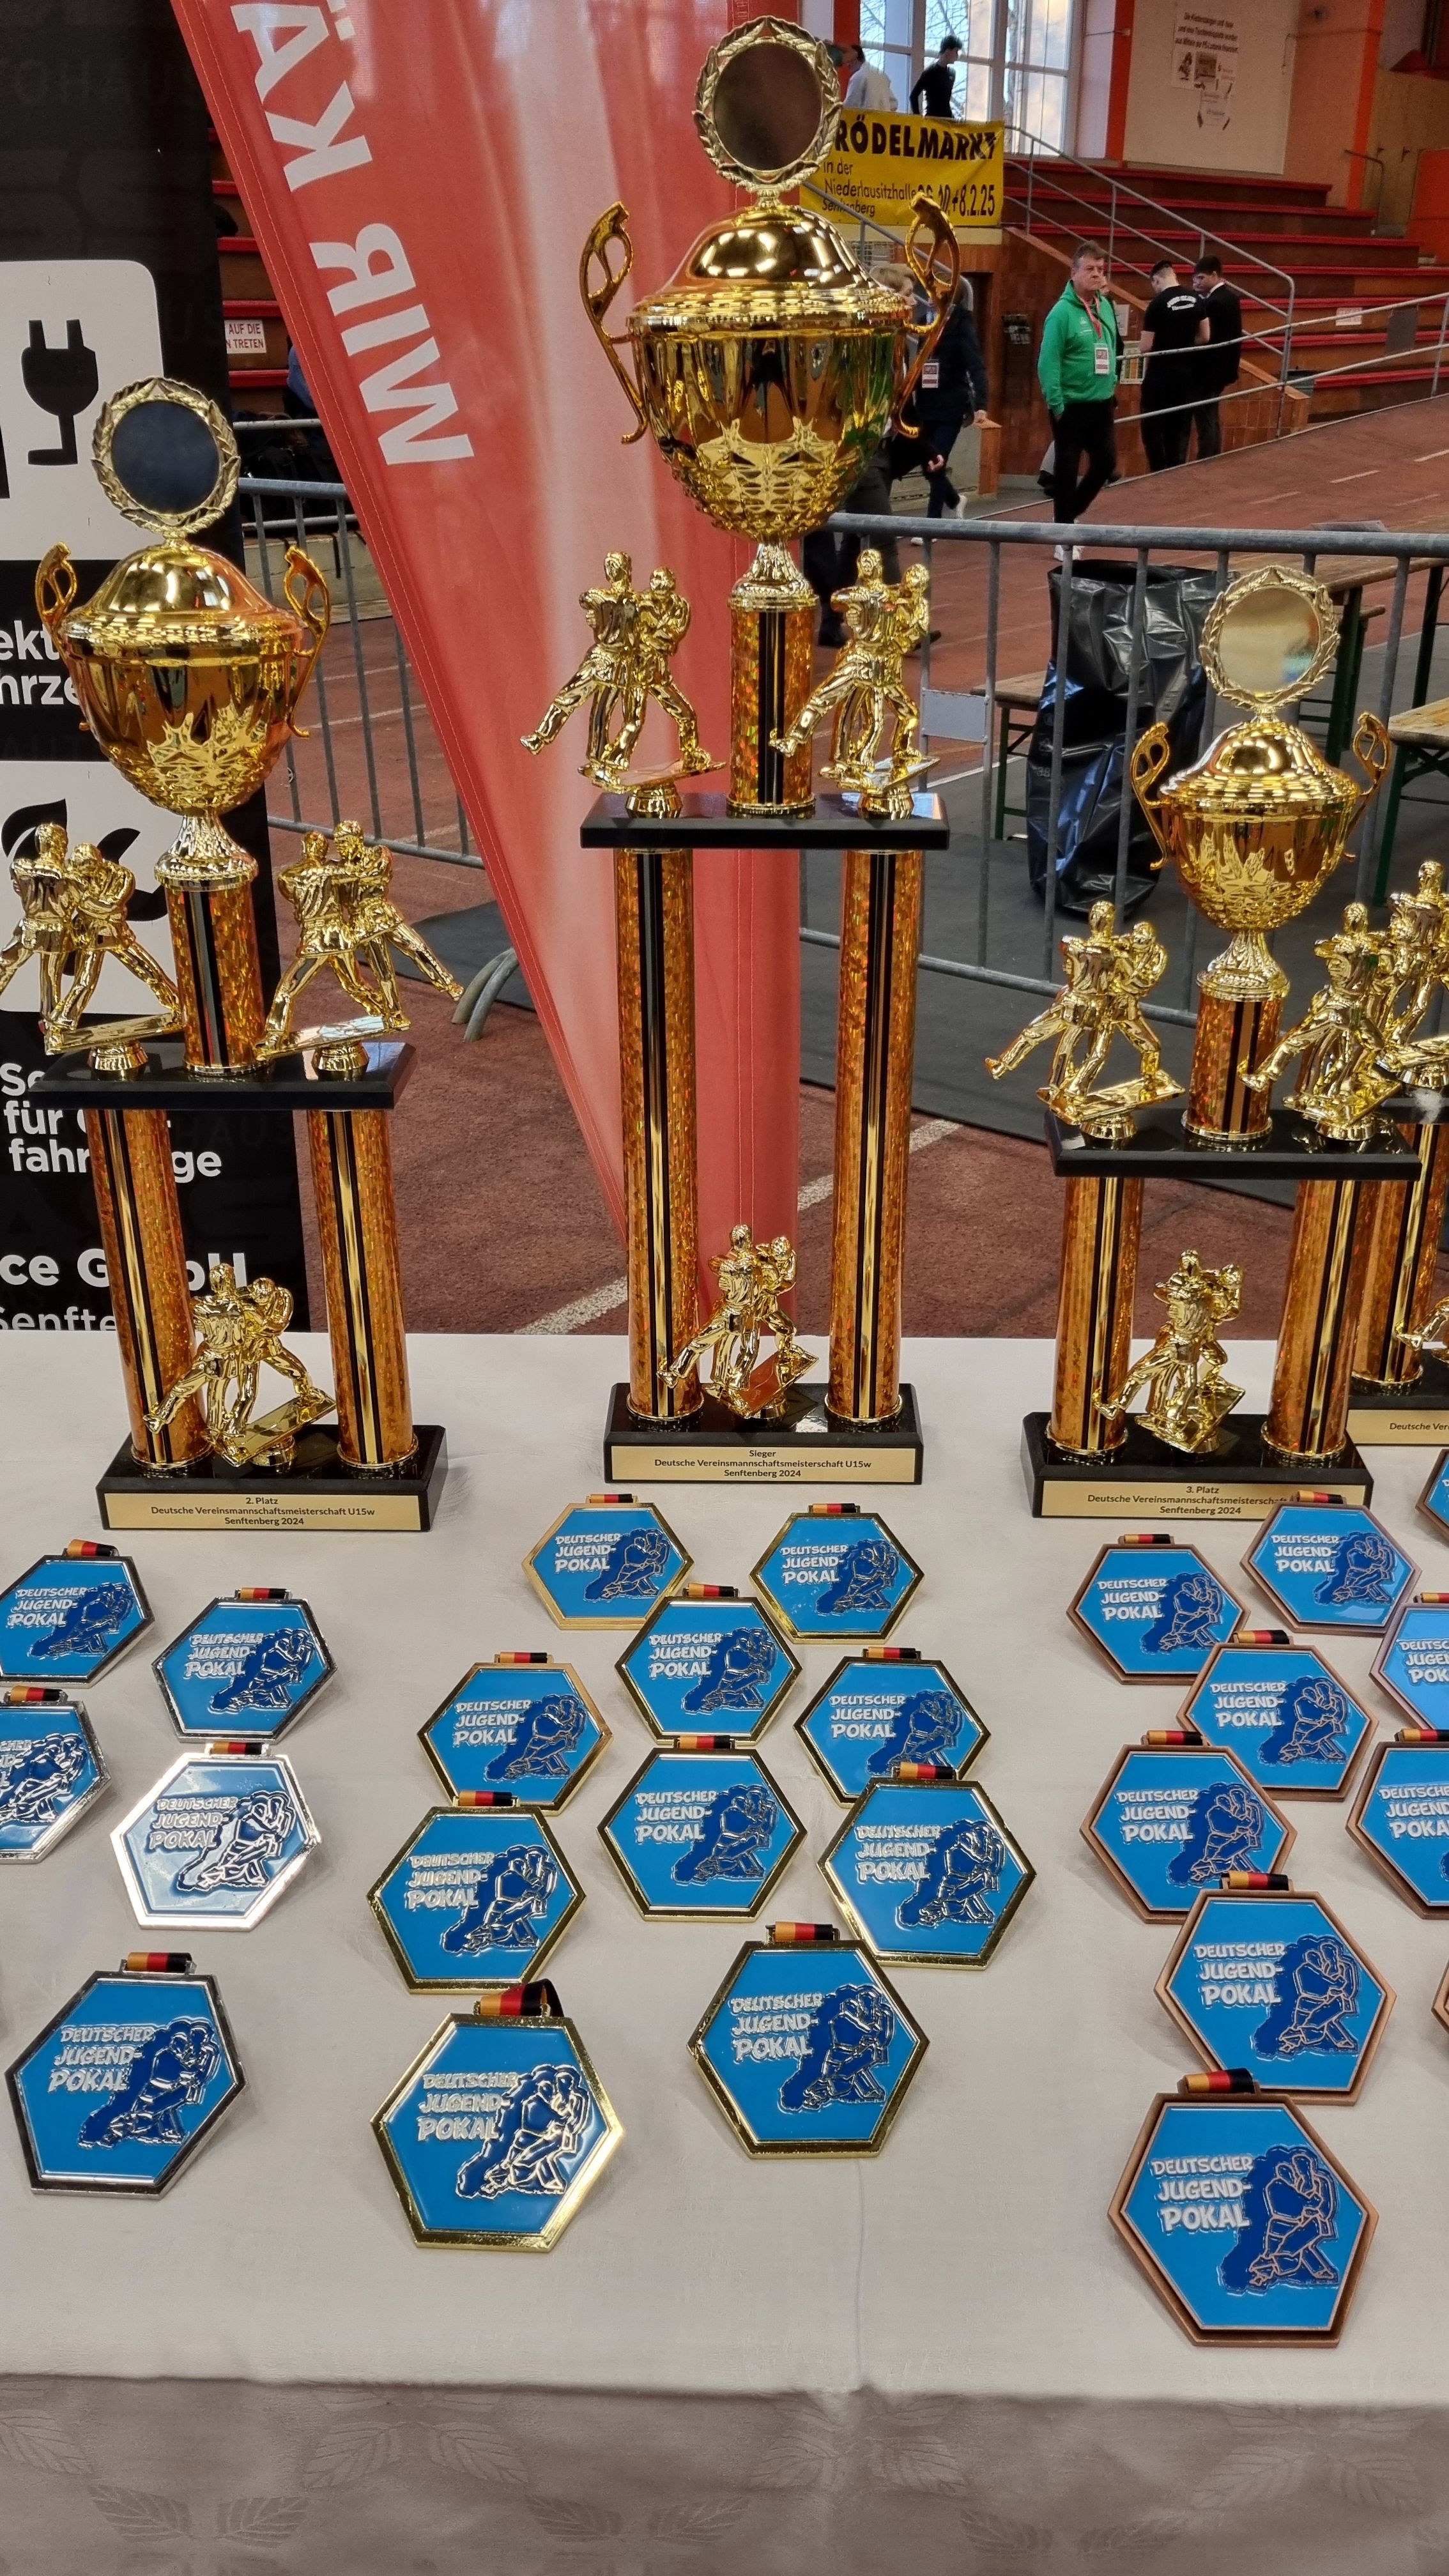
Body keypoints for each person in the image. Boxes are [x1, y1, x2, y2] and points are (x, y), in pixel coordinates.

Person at [1038, 242, 1121, 528]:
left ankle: (1067, 516)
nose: (1097, 274)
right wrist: (1057, 405)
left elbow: (1112, 346)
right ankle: (1064, 531)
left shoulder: (1105, 306)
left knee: (1106, 463)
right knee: (1067, 470)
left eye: (1100, 269)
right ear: (1074, 273)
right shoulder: (1061, 314)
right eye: (1089, 269)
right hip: (1071, 405)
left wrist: (1112, 382)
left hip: (1101, 402)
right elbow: (1048, 363)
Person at [916, 273, 989, 517]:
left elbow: (976, 364)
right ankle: (955, 499)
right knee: (927, 463)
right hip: (926, 403)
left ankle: (932, 523)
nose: (930, 297)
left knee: (938, 461)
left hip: (951, 405)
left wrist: (981, 403)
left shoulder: (960, 323)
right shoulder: (924, 322)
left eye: (935, 293)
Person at [1137, 257, 1208, 473]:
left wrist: (1166, 343)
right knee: (1179, 432)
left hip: (1159, 378)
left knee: (1153, 431)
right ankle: (1176, 474)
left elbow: (1145, 346)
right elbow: (1205, 336)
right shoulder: (1196, 299)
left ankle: (1158, 474)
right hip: (1185, 377)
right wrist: (1183, 343)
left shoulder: (1156, 305)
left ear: (1157, 280)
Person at [1188, 254, 1242, 459]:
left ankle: (1207, 458)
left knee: (1206, 418)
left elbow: (1209, 339)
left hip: (1210, 371)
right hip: (1223, 368)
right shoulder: (1230, 297)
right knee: (1211, 415)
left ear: (1214, 275)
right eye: (1195, 278)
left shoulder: (1215, 302)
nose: (1197, 282)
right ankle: (1213, 455)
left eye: (1201, 278)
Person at [910, 33, 960, 117]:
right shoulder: (929, 73)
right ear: (948, 52)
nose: (957, 56)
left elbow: (945, 101)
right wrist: (918, 118)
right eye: (956, 52)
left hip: (947, 119)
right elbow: (913, 96)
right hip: (932, 119)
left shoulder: (952, 73)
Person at [843, 42, 896, 109]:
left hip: (866, 115)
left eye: (848, 61)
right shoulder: (882, 75)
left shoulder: (858, 76)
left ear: (854, 59)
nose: (848, 65)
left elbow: (850, 105)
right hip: (884, 115)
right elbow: (894, 104)